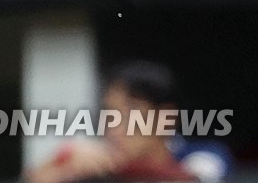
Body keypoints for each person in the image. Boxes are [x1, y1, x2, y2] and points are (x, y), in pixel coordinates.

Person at [27, 61, 232, 183]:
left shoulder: (205, 153)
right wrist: (60, 166)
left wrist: (117, 166)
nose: (115, 125)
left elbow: (189, 179)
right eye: (110, 112)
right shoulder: (97, 161)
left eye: (132, 110)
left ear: (165, 117)